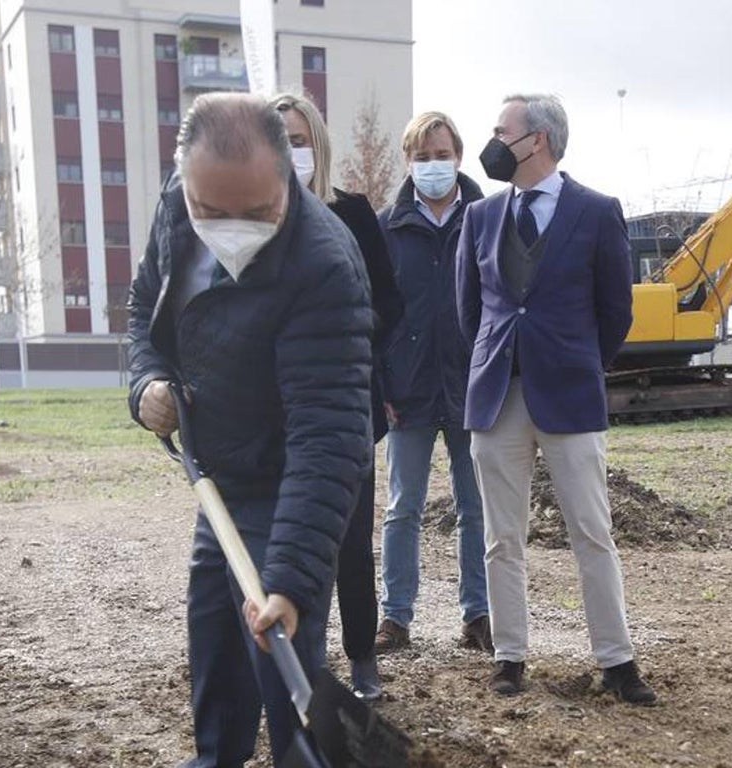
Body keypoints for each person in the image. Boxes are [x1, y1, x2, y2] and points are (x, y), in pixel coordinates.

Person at [127, 93, 373, 767]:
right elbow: (144, 308)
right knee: (216, 652)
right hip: (221, 479)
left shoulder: (324, 261)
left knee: (284, 668)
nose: (233, 227)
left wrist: (292, 579)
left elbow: (329, 436)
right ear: (187, 180)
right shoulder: (177, 206)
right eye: (213, 211)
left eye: (259, 212)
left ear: (287, 181)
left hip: (290, 476)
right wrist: (146, 384)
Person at [454, 93, 656, 704]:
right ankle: (509, 656)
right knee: (500, 536)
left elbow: (616, 311)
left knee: (591, 531)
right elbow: (470, 311)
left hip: (569, 395)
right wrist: (500, 359)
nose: (491, 140)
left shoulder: (596, 212)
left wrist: (575, 364)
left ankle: (617, 662)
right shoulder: (481, 216)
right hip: (497, 395)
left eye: (500, 130)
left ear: (535, 139)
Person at [270, 92, 402, 701]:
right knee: (287, 537)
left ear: (317, 144)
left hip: (346, 403)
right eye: (278, 138)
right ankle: (300, 661)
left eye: (298, 139)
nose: (290, 149)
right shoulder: (254, 217)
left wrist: (338, 332)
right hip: (272, 408)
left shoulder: (351, 214)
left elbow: (390, 305)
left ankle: (361, 656)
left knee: (350, 541)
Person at [375, 111, 490, 654]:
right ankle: (395, 618)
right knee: (404, 508)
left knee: (477, 508)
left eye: (441, 154)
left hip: (473, 388)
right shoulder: (386, 226)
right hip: (408, 391)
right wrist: (383, 384)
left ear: (458, 157)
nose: (432, 165)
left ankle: (479, 616)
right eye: (422, 157)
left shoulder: (488, 218)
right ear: (409, 162)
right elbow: (373, 313)